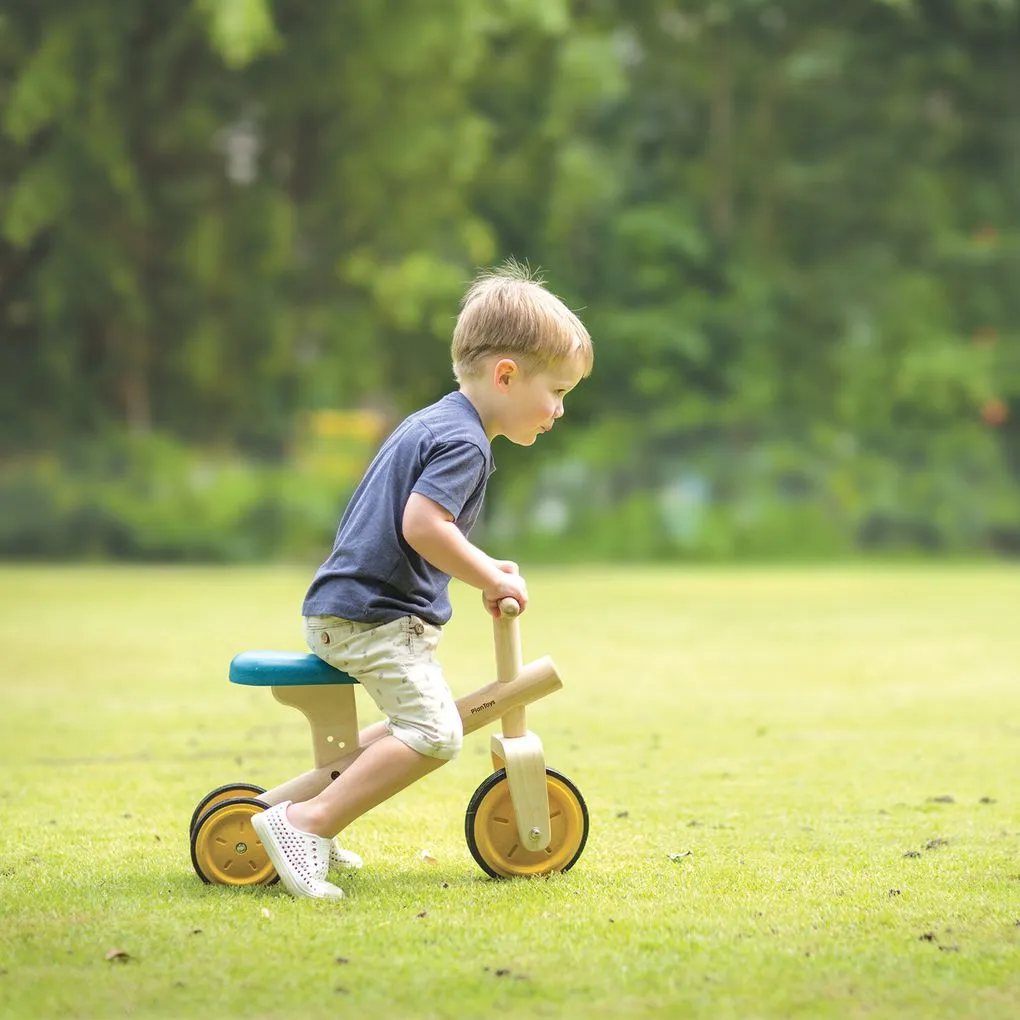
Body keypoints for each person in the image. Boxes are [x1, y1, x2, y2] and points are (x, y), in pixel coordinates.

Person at [251, 261, 593, 899]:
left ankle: (301, 816)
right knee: (435, 733)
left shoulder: (437, 422)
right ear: (507, 375)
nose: (560, 410)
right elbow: (421, 526)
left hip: (351, 607)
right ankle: (305, 821)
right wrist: (485, 573)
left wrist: (485, 567)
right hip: (372, 616)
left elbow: (424, 528)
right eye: (558, 390)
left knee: (419, 719)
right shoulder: (466, 443)